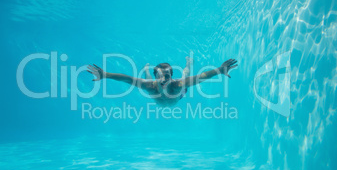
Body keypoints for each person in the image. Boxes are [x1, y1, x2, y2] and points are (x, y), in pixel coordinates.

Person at [87, 57, 238, 106]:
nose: (163, 79)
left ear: (171, 76)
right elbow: (127, 78)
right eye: (159, 76)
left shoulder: (177, 84)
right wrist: (105, 74)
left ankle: (188, 64)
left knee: (185, 76)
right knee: (147, 81)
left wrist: (219, 70)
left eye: (166, 76)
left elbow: (200, 78)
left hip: (178, 96)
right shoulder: (150, 85)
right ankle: (147, 69)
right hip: (156, 92)